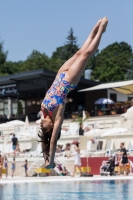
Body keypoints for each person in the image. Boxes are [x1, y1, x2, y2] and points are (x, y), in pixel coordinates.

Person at [39, 17, 108, 169]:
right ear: (51, 128)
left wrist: (45, 158)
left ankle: (94, 28)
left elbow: (44, 141)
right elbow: (51, 141)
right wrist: (50, 162)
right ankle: (101, 31)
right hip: (69, 81)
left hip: (59, 75)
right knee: (86, 54)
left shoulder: (45, 113)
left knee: (79, 53)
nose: (41, 123)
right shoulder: (57, 118)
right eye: (44, 126)